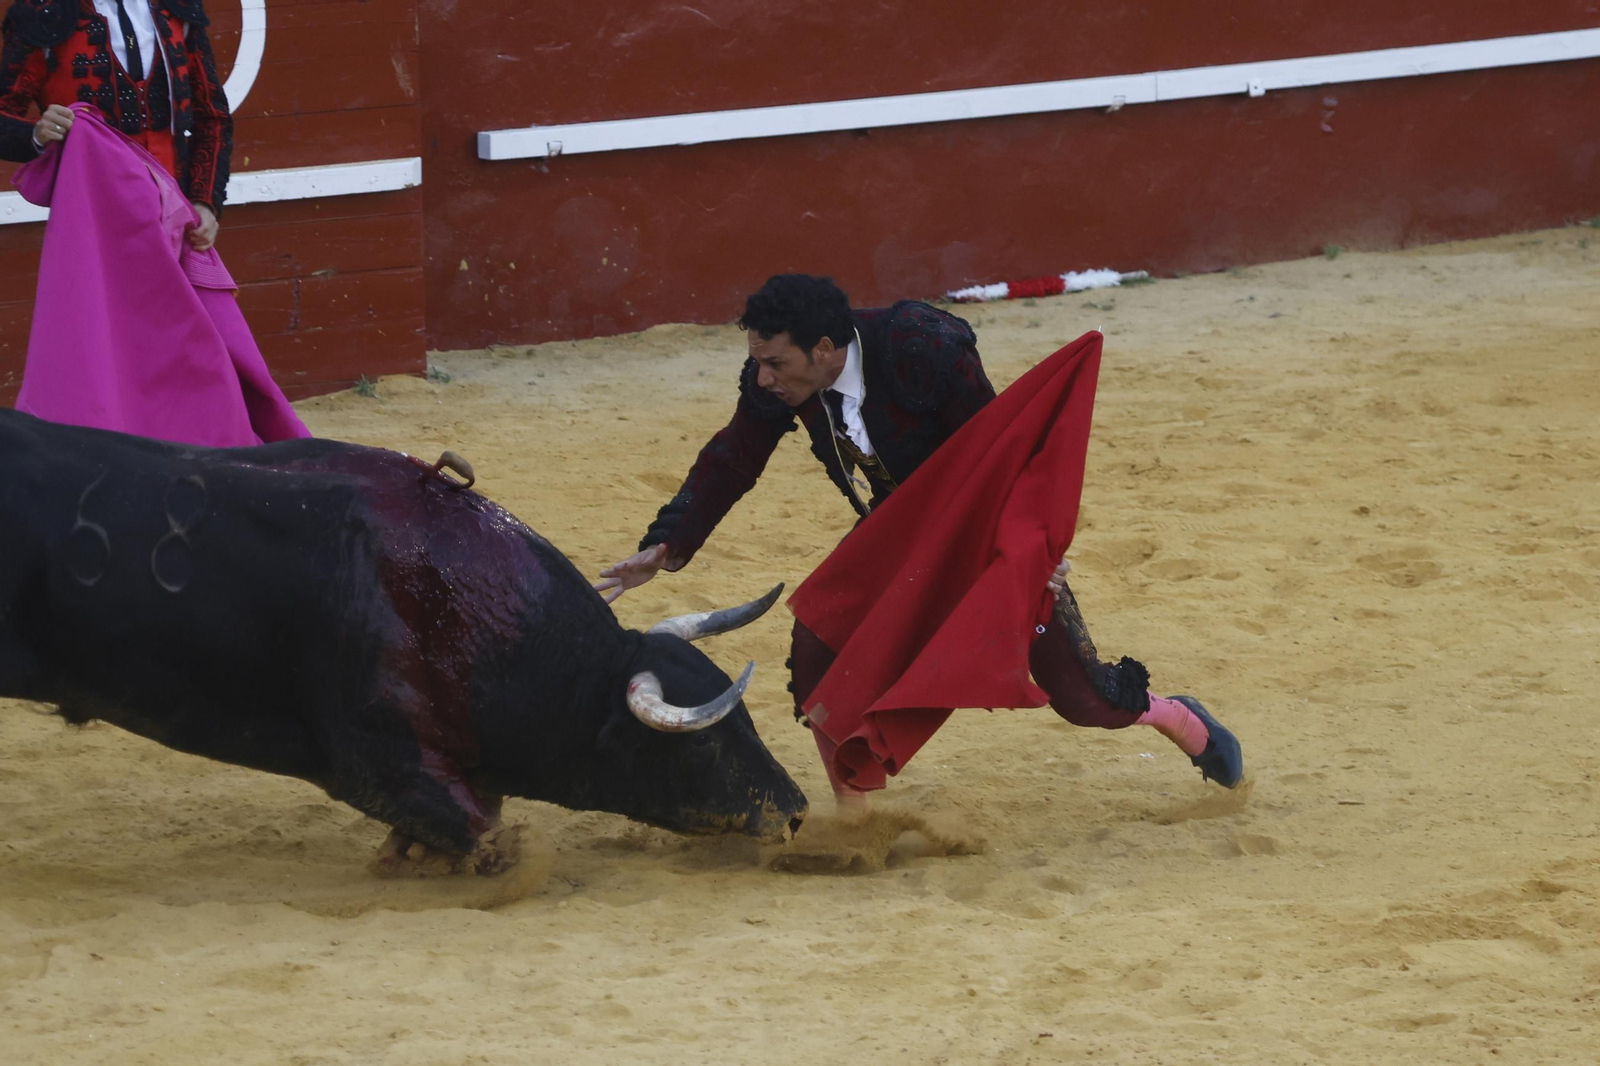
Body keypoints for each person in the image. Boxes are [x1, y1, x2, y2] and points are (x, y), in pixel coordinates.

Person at [597, 274, 1244, 810]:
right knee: (819, 643)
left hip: (980, 537)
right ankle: (854, 815)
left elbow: (1004, 451)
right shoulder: (778, 380)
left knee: (1084, 698)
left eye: (775, 363)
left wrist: (1033, 546)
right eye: (758, 362)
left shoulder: (920, 346)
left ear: (824, 350)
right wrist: (668, 544)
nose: (764, 378)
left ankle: (1178, 718)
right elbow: (734, 458)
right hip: (896, 535)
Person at [1, 0, 231, 251]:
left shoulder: (177, 8)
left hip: (175, 216)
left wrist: (205, 200)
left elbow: (211, 114)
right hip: (91, 219)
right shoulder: (42, 13)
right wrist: (36, 134)